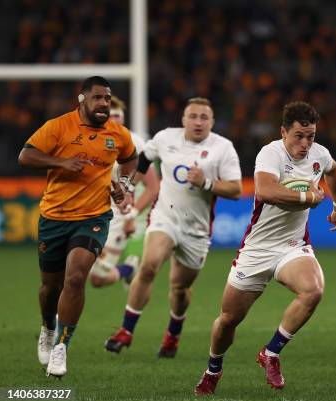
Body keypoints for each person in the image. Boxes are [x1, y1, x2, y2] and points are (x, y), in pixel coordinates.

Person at [194, 101, 336, 395]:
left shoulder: (319, 154)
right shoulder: (270, 153)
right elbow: (265, 191)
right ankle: (213, 368)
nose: (305, 143)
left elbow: (334, 171)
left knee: (313, 289)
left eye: (311, 136)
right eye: (299, 136)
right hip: (257, 249)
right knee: (228, 320)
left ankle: (271, 352)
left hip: (292, 246)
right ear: (283, 132)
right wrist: (308, 199)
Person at [18, 76, 137, 378]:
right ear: (82, 100)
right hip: (54, 217)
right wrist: (60, 163)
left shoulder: (117, 133)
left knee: (75, 278)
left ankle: (60, 347)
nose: (104, 105)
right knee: (50, 288)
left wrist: (123, 184)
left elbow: (132, 157)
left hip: (93, 217)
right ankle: (47, 327)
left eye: (108, 99)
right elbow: (26, 155)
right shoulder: (58, 126)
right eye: (98, 98)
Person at [104, 97, 242, 358]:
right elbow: (144, 158)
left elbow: (236, 189)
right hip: (164, 218)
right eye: (193, 116)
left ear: (212, 122)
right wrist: (130, 187)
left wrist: (208, 183)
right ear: (183, 119)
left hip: (196, 230)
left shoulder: (223, 148)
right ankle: (126, 330)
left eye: (204, 117)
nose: (198, 121)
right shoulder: (166, 138)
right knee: (148, 266)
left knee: (179, 288)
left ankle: (173, 334)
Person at [89, 96, 160, 288]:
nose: (114, 119)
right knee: (72, 266)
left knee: (98, 278)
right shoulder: (90, 140)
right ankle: (57, 316)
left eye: (118, 116)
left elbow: (153, 187)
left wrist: (131, 216)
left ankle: (128, 270)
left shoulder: (135, 143)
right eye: (109, 115)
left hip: (119, 216)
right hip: (90, 212)